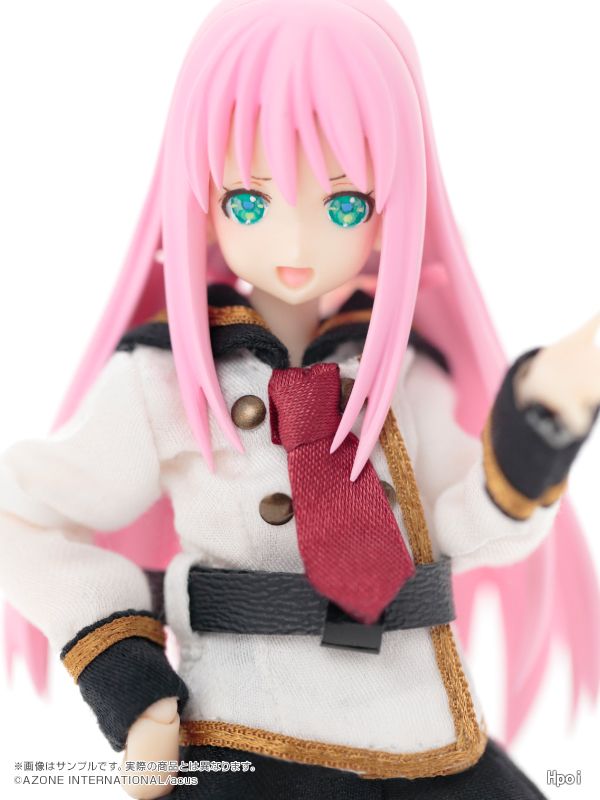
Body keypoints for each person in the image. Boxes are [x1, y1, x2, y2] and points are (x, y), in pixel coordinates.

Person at [1, 1, 599, 797]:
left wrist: (538, 424)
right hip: (247, 730)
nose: (293, 245)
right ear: (200, 201)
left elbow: (469, 527)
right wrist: (125, 672)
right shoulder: (166, 376)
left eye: (344, 205)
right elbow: (22, 516)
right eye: (249, 203)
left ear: (391, 213)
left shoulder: (400, 373)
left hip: (417, 734)